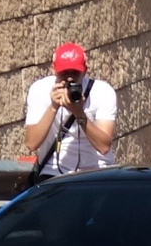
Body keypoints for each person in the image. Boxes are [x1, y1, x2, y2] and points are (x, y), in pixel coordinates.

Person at [20, 42, 119, 184]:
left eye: (75, 72)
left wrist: (79, 114)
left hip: (96, 171)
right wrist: (53, 107)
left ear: (85, 70)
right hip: (52, 172)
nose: (70, 79)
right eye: (64, 73)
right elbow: (31, 143)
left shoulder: (102, 91)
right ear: (53, 69)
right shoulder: (40, 90)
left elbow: (103, 146)